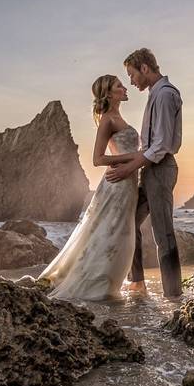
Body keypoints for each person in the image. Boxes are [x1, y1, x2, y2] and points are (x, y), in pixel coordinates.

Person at [38, 75, 144, 301]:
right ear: (109, 93)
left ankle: (109, 281)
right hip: (117, 182)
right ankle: (99, 285)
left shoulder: (118, 117)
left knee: (120, 232)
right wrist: (134, 156)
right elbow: (97, 159)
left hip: (128, 183)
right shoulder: (107, 119)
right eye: (119, 86)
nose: (125, 87)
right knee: (111, 231)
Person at [105, 48, 183, 297]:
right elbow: (148, 144)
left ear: (145, 68)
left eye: (131, 74)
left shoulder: (165, 95)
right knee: (130, 221)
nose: (130, 81)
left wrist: (129, 167)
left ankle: (173, 295)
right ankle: (137, 281)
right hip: (149, 169)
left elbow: (160, 145)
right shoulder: (155, 94)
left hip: (160, 168)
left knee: (163, 233)